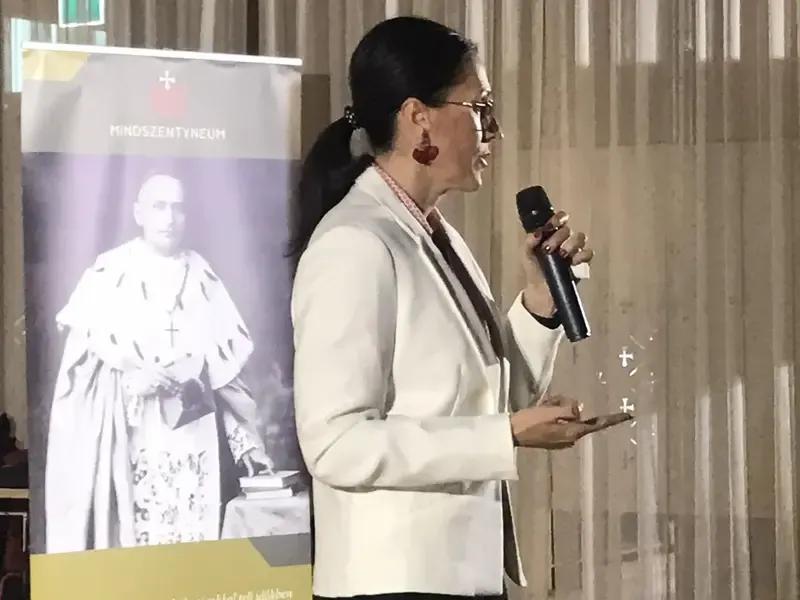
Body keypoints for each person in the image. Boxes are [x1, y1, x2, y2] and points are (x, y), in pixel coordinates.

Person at [290, 16, 626, 600]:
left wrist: (541, 302)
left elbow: (482, 403)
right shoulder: (355, 242)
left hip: (460, 574)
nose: (494, 129)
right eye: (480, 107)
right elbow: (335, 445)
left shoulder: (431, 233)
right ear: (418, 116)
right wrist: (505, 436)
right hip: (392, 583)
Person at [45, 172, 273, 552]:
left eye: (178, 208)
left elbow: (227, 378)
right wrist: (130, 380)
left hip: (195, 438)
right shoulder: (110, 271)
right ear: (138, 213)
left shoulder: (202, 275)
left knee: (193, 544)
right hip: (134, 434)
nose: (169, 218)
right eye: (159, 207)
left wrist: (244, 443)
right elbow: (82, 373)